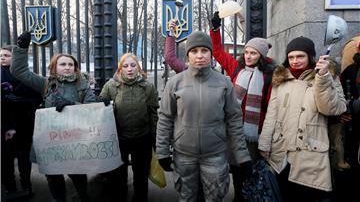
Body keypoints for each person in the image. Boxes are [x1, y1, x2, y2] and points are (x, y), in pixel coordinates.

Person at [156, 31, 252, 202]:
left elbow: (234, 120)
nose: (199, 55)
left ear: (210, 53)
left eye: (204, 50)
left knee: (214, 198)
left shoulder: (224, 83)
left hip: (215, 155)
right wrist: (162, 151)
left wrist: (242, 156)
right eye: (194, 51)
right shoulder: (175, 83)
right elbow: (165, 118)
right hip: (184, 155)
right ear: (188, 55)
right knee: (187, 198)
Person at [10, 31, 97, 202]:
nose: (67, 67)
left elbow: (92, 109)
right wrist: (20, 49)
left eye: (70, 64)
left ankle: (83, 197)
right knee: (53, 176)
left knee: (77, 173)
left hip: (75, 140)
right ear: (54, 67)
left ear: (75, 67)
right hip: (51, 140)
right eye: (63, 64)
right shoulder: (46, 84)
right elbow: (18, 71)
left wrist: (72, 107)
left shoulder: (83, 85)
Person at [258, 36, 347, 202]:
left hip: (310, 153)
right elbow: (272, 114)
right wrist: (264, 143)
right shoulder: (280, 80)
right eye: (291, 57)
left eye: (300, 56)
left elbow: (334, 109)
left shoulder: (327, 76)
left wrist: (322, 77)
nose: (295, 61)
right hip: (281, 153)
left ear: (311, 57)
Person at [210, 12, 276, 202]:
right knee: (235, 168)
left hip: (253, 133)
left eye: (253, 53)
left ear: (261, 56)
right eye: (246, 52)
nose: (248, 56)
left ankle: (246, 197)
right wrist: (215, 29)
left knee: (249, 168)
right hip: (232, 129)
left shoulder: (268, 76)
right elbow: (218, 52)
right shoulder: (236, 68)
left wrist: (265, 137)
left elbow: (270, 106)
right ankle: (238, 196)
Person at [99, 53, 159, 202]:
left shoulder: (148, 87)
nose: (130, 69)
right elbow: (100, 111)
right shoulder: (111, 86)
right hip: (119, 139)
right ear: (120, 69)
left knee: (141, 176)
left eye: (133, 65)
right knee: (118, 177)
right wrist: (103, 103)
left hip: (142, 138)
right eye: (125, 66)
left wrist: (154, 136)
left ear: (138, 67)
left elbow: (153, 113)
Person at [1, 45, 43, 200]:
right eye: (1, 55)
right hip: (4, 125)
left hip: (24, 123)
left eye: (6, 55)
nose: (2, 58)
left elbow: (38, 98)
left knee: (24, 158)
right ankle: (10, 188)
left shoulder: (27, 77)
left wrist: (21, 101)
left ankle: (27, 186)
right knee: (5, 159)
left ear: (15, 58)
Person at [332, 39, 360, 202]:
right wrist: (341, 111)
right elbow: (338, 97)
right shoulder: (350, 70)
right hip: (352, 130)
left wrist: (349, 106)